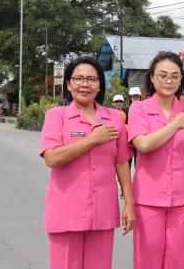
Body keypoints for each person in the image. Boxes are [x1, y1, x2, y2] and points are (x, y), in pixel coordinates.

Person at [39, 56, 134, 269]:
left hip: (102, 212)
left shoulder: (114, 118)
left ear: (100, 84)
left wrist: (129, 204)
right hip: (66, 212)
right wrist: (92, 139)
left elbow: (122, 164)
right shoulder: (57, 116)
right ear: (68, 84)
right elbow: (52, 158)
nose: (85, 84)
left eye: (91, 79)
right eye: (78, 78)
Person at [128, 51, 184, 269]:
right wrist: (175, 124)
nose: (169, 80)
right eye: (163, 75)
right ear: (152, 77)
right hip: (148, 200)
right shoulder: (139, 109)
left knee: (176, 259)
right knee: (148, 260)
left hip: (181, 200)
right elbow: (143, 144)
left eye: (175, 75)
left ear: (181, 79)